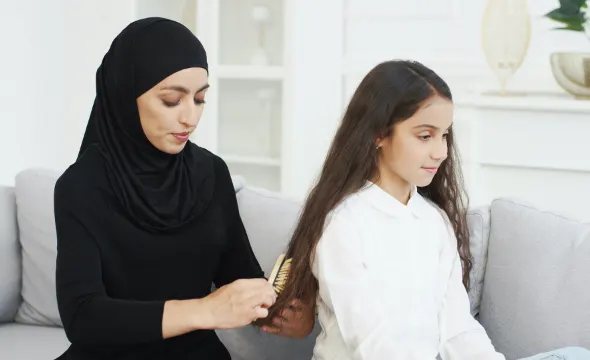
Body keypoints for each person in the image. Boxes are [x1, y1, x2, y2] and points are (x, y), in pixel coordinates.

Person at [266, 60, 590, 359]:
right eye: (425, 136)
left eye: (445, 135)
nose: (441, 152)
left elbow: (456, 330)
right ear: (379, 133)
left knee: (575, 355)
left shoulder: (433, 221)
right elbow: (373, 343)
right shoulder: (343, 224)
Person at [53, 17, 314, 360]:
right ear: (124, 95)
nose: (190, 117)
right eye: (172, 101)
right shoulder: (80, 186)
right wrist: (204, 310)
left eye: (200, 99)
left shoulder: (211, 174)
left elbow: (242, 280)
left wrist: (284, 313)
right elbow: (83, 317)